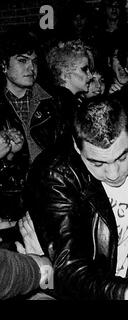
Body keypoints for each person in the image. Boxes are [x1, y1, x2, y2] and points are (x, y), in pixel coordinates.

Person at [24, 97, 128, 300]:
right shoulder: (57, 177)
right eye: (97, 163)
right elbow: (66, 271)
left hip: (124, 284)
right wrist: (126, 294)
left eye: (122, 157)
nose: (113, 173)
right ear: (78, 149)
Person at [0, 27, 63, 230]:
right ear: (3, 65)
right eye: (22, 60)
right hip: (10, 208)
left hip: (53, 197)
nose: (30, 67)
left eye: (34, 61)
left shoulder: (54, 101)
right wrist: (7, 157)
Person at [45, 39, 93, 136]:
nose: (90, 76)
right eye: (84, 69)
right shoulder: (63, 106)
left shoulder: (68, 102)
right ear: (65, 73)